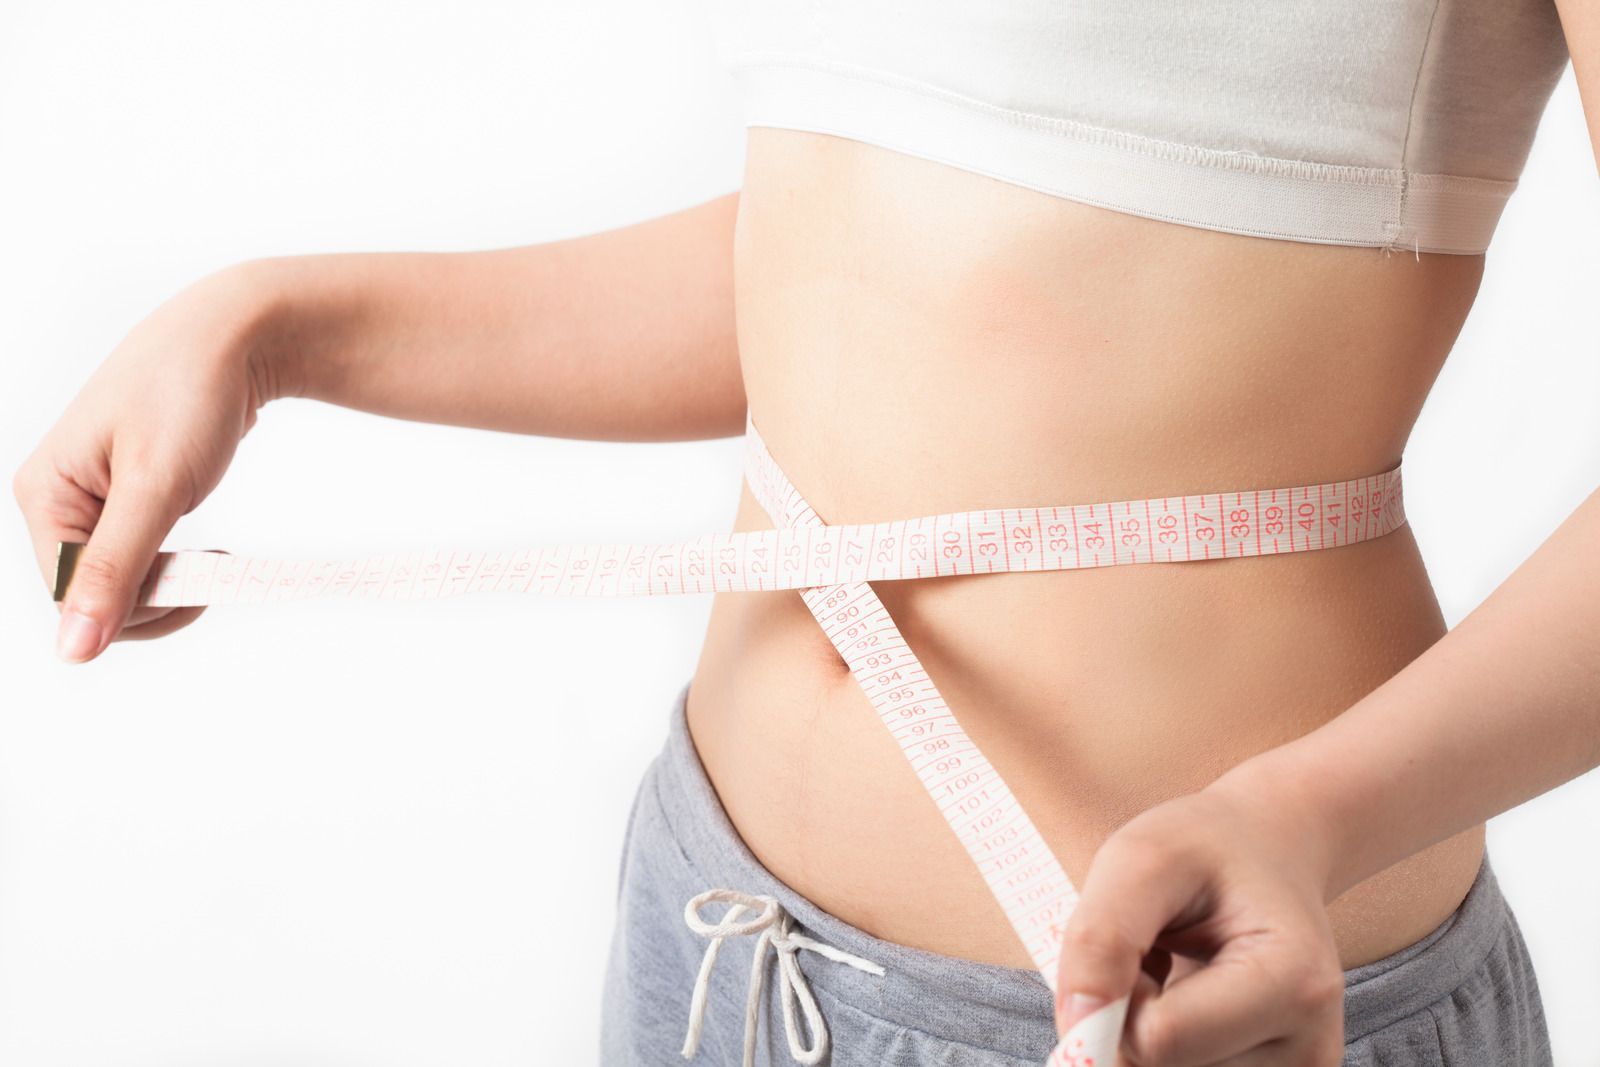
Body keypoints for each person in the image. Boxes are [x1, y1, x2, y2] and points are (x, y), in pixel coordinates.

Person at [13, 1, 1600, 1064]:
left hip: (1164, 1006)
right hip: (711, 929)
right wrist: (277, 327)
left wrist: (1304, 824)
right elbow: (886, 266)